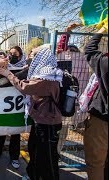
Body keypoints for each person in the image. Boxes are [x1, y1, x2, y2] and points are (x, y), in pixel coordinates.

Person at [0, 47, 63, 180]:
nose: (29, 57)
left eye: (33, 55)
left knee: (48, 158)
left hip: (48, 123)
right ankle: (33, 175)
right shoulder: (47, 73)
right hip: (41, 120)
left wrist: (8, 74)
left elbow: (25, 87)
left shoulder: (47, 76)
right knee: (35, 150)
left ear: (41, 57)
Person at [0, 46, 24, 169]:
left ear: (20, 55)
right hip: (3, 102)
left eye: (15, 54)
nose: (12, 55)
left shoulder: (24, 67)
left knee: (15, 133)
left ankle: (14, 157)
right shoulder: (5, 64)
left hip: (17, 104)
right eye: (11, 53)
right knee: (1, 129)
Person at [83, 26, 108, 180]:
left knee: (96, 162)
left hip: (102, 120)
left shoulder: (105, 62)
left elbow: (90, 50)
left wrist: (102, 29)